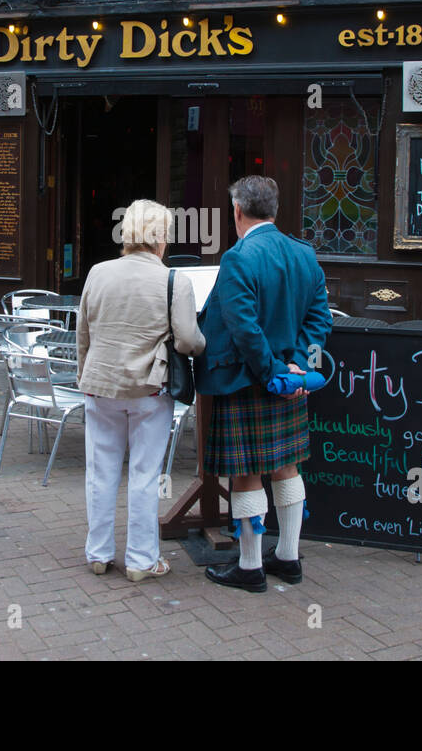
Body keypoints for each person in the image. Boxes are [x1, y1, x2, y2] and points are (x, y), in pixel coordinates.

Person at [195, 176, 333, 592]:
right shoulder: (304, 254)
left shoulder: (238, 258)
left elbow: (244, 328)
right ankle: (288, 558)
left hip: (247, 380)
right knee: (286, 466)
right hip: (288, 379)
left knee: (246, 473)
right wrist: (295, 364)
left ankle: (251, 567)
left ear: (237, 211)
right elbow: (319, 319)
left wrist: (272, 370)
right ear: (274, 209)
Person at [77, 199, 206, 581]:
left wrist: (86, 377)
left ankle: (98, 554)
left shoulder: (98, 272)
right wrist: (202, 343)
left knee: (100, 473)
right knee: (145, 475)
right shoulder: (173, 280)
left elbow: (83, 333)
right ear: (161, 237)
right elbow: (186, 340)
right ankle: (141, 560)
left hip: (101, 386)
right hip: (150, 388)